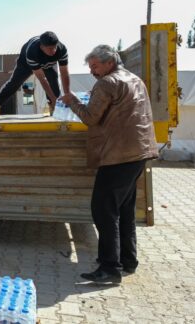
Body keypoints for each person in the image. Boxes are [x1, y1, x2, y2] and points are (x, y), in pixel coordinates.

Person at [60, 45, 158, 284]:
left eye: (95, 66)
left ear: (109, 62)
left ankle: (109, 268)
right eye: (91, 67)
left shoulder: (106, 83)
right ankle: (128, 260)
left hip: (118, 155)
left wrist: (72, 101)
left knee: (103, 210)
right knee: (124, 210)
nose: (93, 71)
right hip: (139, 152)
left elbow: (91, 118)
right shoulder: (135, 79)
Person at [0, 31, 70, 117]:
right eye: (50, 49)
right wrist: (54, 99)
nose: (53, 51)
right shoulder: (32, 51)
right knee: (15, 83)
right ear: (42, 46)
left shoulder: (62, 49)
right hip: (25, 64)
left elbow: (64, 73)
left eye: (55, 47)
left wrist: (67, 94)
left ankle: (53, 108)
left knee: (53, 79)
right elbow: (42, 80)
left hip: (49, 64)